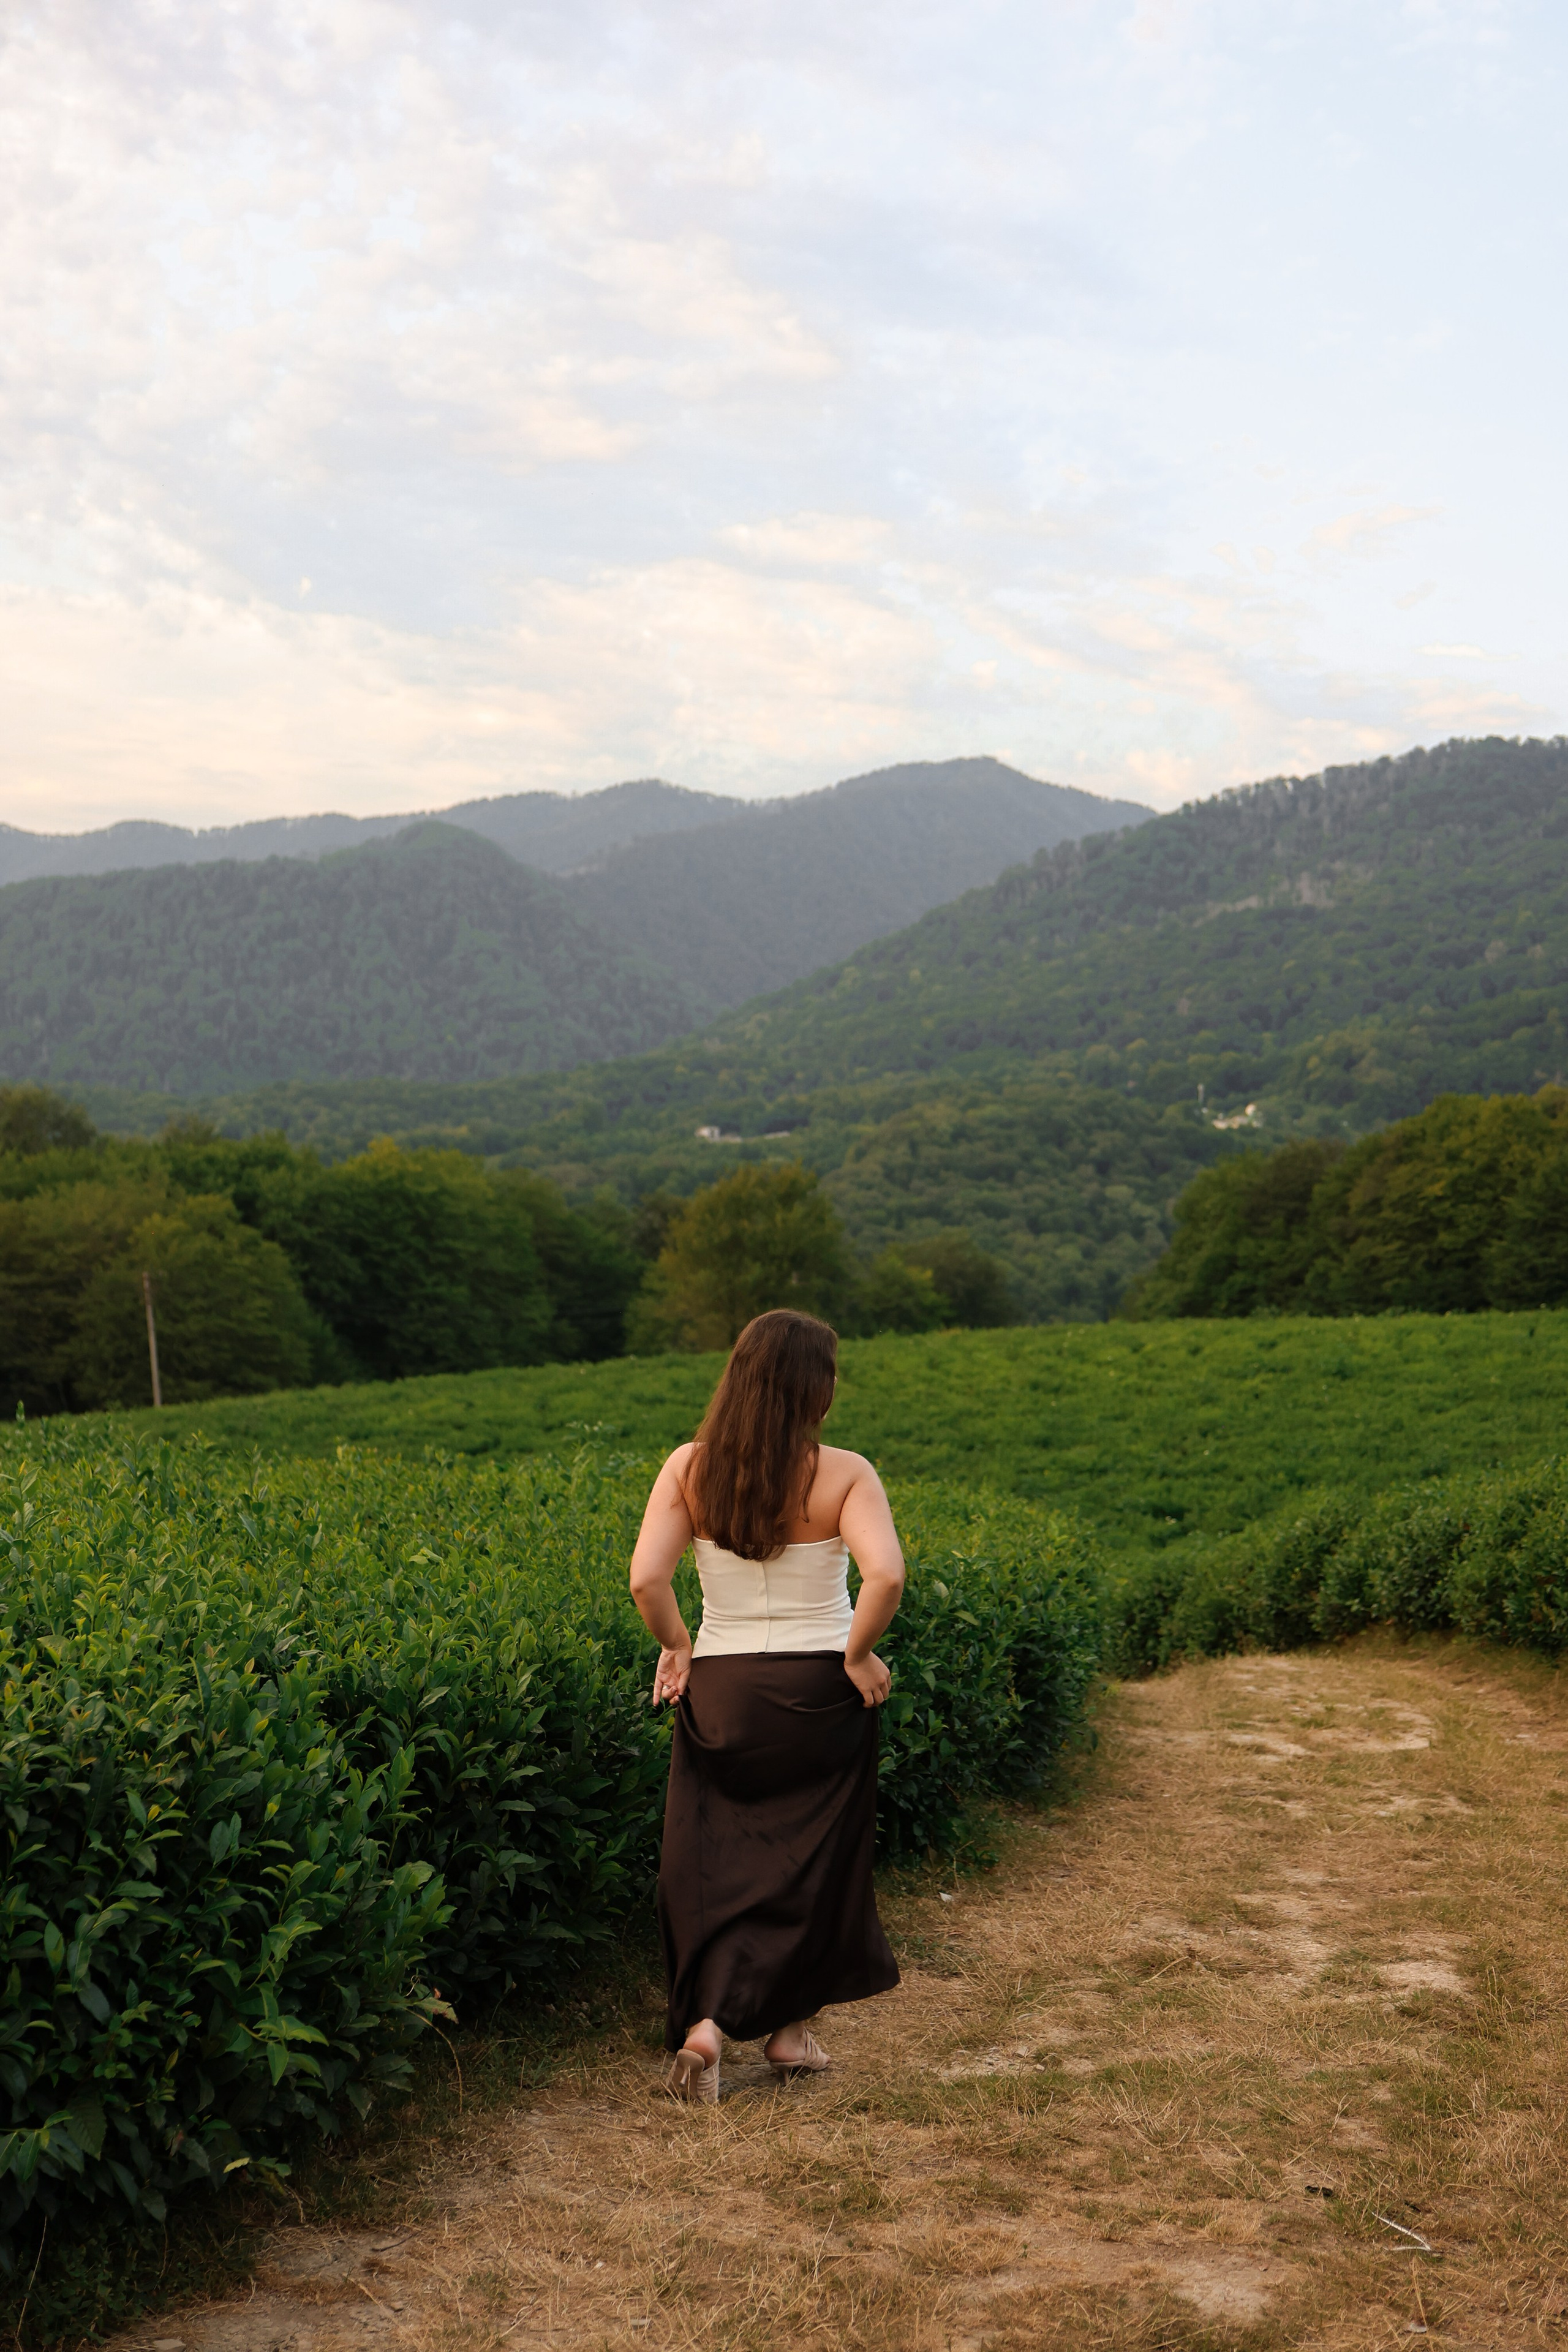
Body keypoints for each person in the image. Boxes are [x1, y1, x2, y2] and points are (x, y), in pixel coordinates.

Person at [628, 1308, 906, 2103]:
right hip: (822, 1689)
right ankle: (786, 2036)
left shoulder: (690, 1467)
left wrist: (677, 1644)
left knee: (712, 1858)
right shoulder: (846, 1473)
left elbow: (648, 1580)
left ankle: (708, 2030)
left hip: (723, 1691)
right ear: (816, 1388)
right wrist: (856, 1653)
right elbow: (884, 1575)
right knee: (814, 1862)